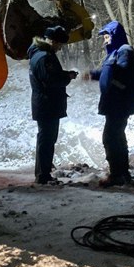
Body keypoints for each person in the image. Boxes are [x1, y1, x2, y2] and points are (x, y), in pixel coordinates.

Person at [85, 20, 134, 188]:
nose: (105, 40)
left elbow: (121, 72)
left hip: (119, 104)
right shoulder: (118, 51)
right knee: (117, 137)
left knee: (110, 138)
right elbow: (109, 72)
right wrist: (94, 75)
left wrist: (109, 78)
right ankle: (122, 172)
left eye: (108, 36)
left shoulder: (125, 51)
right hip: (116, 104)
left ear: (116, 36)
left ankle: (117, 174)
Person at [27, 25, 78, 185]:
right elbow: (50, 80)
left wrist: (64, 74)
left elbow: (49, 76)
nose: (60, 48)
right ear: (52, 41)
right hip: (47, 104)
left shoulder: (37, 54)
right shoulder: (45, 57)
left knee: (45, 138)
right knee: (47, 139)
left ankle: (43, 172)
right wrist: (67, 78)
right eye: (59, 44)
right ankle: (43, 175)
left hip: (44, 103)